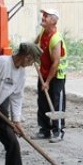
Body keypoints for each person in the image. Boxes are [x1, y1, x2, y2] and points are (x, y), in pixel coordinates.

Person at [34, 9, 67, 143]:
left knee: (56, 103)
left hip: (56, 75)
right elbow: (35, 43)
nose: (43, 17)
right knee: (42, 102)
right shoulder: (43, 32)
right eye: (43, 15)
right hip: (44, 72)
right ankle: (44, 130)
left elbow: (56, 63)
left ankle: (57, 131)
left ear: (53, 21)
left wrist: (47, 82)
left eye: (46, 16)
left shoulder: (56, 38)